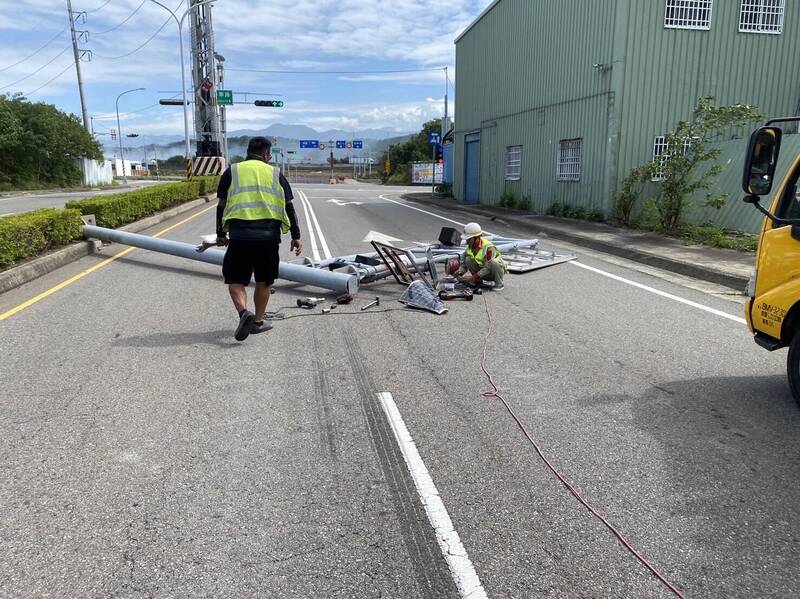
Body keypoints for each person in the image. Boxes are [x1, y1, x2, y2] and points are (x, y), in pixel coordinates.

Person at [216, 137, 303, 341]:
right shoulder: (275, 173)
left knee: (236, 280)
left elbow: (220, 206)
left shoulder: (233, 171)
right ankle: (257, 322)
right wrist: (296, 236)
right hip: (268, 238)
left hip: (240, 237)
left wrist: (220, 234)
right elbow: (289, 206)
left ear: (249, 151)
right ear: (266, 154)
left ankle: (243, 313)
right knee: (264, 282)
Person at [457, 222, 507, 291]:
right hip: (482, 273)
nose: (467, 242)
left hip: (493, 273)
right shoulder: (470, 247)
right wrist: (459, 272)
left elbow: (487, 268)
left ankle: (499, 284)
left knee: (493, 262)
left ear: (477, 238)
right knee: (468, 259)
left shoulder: (488, 247)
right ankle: (478, 281)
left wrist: (472, 277)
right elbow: (463, 264)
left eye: (468, 239)